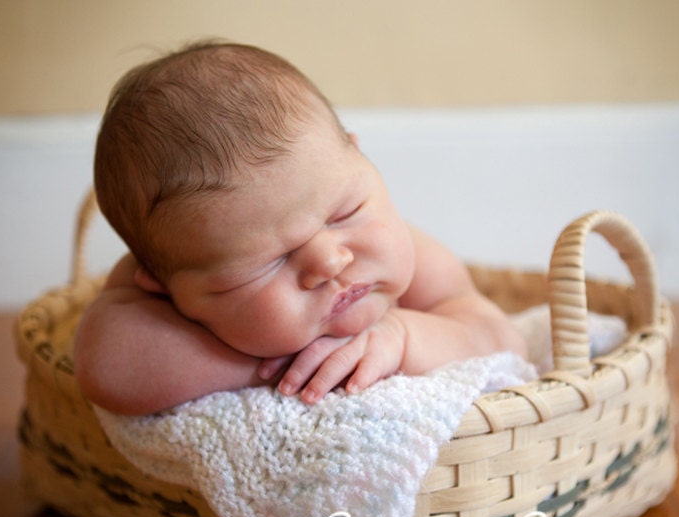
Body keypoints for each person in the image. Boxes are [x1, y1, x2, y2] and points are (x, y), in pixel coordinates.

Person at [74, 41, 527, 416]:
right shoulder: (160, 285)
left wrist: (403, 337)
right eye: (268, 261)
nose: (331, 260)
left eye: (343, 212)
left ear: (358, 155)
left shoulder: (411, 255)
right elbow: (108, 368)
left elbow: (503, 341)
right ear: (165, 287)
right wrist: (275, 366)